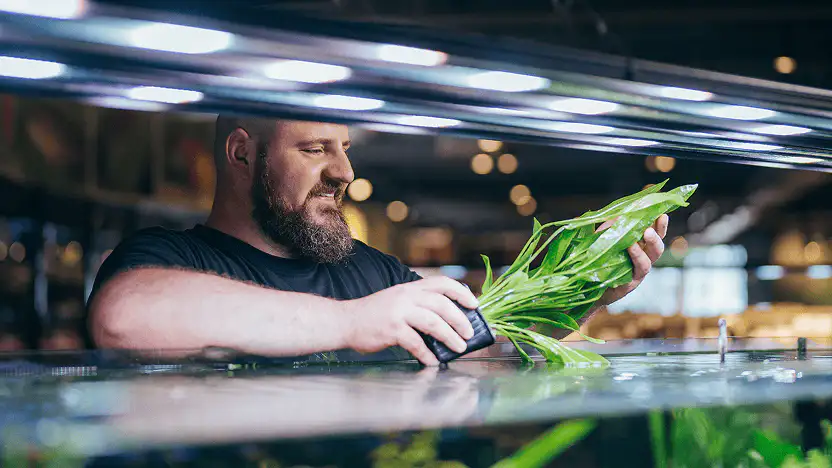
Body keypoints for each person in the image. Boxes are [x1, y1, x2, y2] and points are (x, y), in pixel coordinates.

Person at [87, 117, 669, 365]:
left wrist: (587, 291)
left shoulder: (372, 272)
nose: (344, 173)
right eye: (316, 149)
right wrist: (352, 323)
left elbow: (481, 350)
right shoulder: (168, 257)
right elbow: (123, 317)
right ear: (241, 153)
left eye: (346, 150)